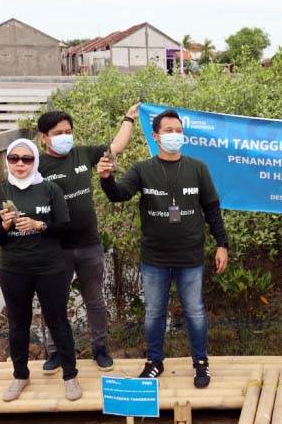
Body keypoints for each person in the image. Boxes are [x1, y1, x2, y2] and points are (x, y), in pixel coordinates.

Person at [96, 108, 228, 389]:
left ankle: (200, 363)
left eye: (179, 130)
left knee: (194, 311)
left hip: (190, 256)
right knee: (154, 312)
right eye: (169, 131)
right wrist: (106, 179)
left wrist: (222, 244)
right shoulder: (143, 169)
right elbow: (119, 196)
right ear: (156, 136)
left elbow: (212, 209)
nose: (175, 135)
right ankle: (154, 361)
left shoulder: (197, 168)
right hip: (155, 257)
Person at [36, 104, 139, 373]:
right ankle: (56, 352)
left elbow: (116, 146)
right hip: (55, 248)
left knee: (95, 301)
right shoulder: (36, 164)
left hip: (89, 244)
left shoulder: (82, 154)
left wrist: (128, 117)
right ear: (43, 137)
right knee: (54, 302)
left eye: (68, 131)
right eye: (58, 132)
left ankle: (100, 349)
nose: (65, 136)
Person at [0, 139, 82, 402]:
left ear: (35, 161)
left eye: (26, 159)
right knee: (18, 325)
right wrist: (5, 226)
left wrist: (40, 225)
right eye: (14, 158)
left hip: (50, 267)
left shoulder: (51, 189)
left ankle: (70, 376)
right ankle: (20, 376)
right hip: (13, 270)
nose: (20, 164)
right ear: (8, 161)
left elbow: (65, 228)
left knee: (58, 321)